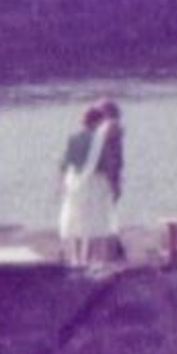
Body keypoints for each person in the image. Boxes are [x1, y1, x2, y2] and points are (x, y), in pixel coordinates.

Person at [57, 105, 116, 267]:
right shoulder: (99, 140)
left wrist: (61, 183)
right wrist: (112, 183)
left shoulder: (72, 137)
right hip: (95, 182)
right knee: (96, 220)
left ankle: (76, 258)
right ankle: (93, 259)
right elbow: (105, 164)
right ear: (96, 122)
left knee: (76, 218)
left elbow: (64, 162)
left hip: (75, 180)